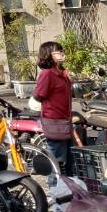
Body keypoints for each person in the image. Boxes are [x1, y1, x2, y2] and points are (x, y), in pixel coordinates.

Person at [33, 42, 74, 175]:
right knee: (56, 160)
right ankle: (55, 185)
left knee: (69, 159)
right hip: (54, 121)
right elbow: (39, 95)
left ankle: (68, 184)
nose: (62, 53)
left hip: (65, 120)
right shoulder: (47, 74)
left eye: (62, 50)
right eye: (58, 51)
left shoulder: (62, 73)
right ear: (48, 54)